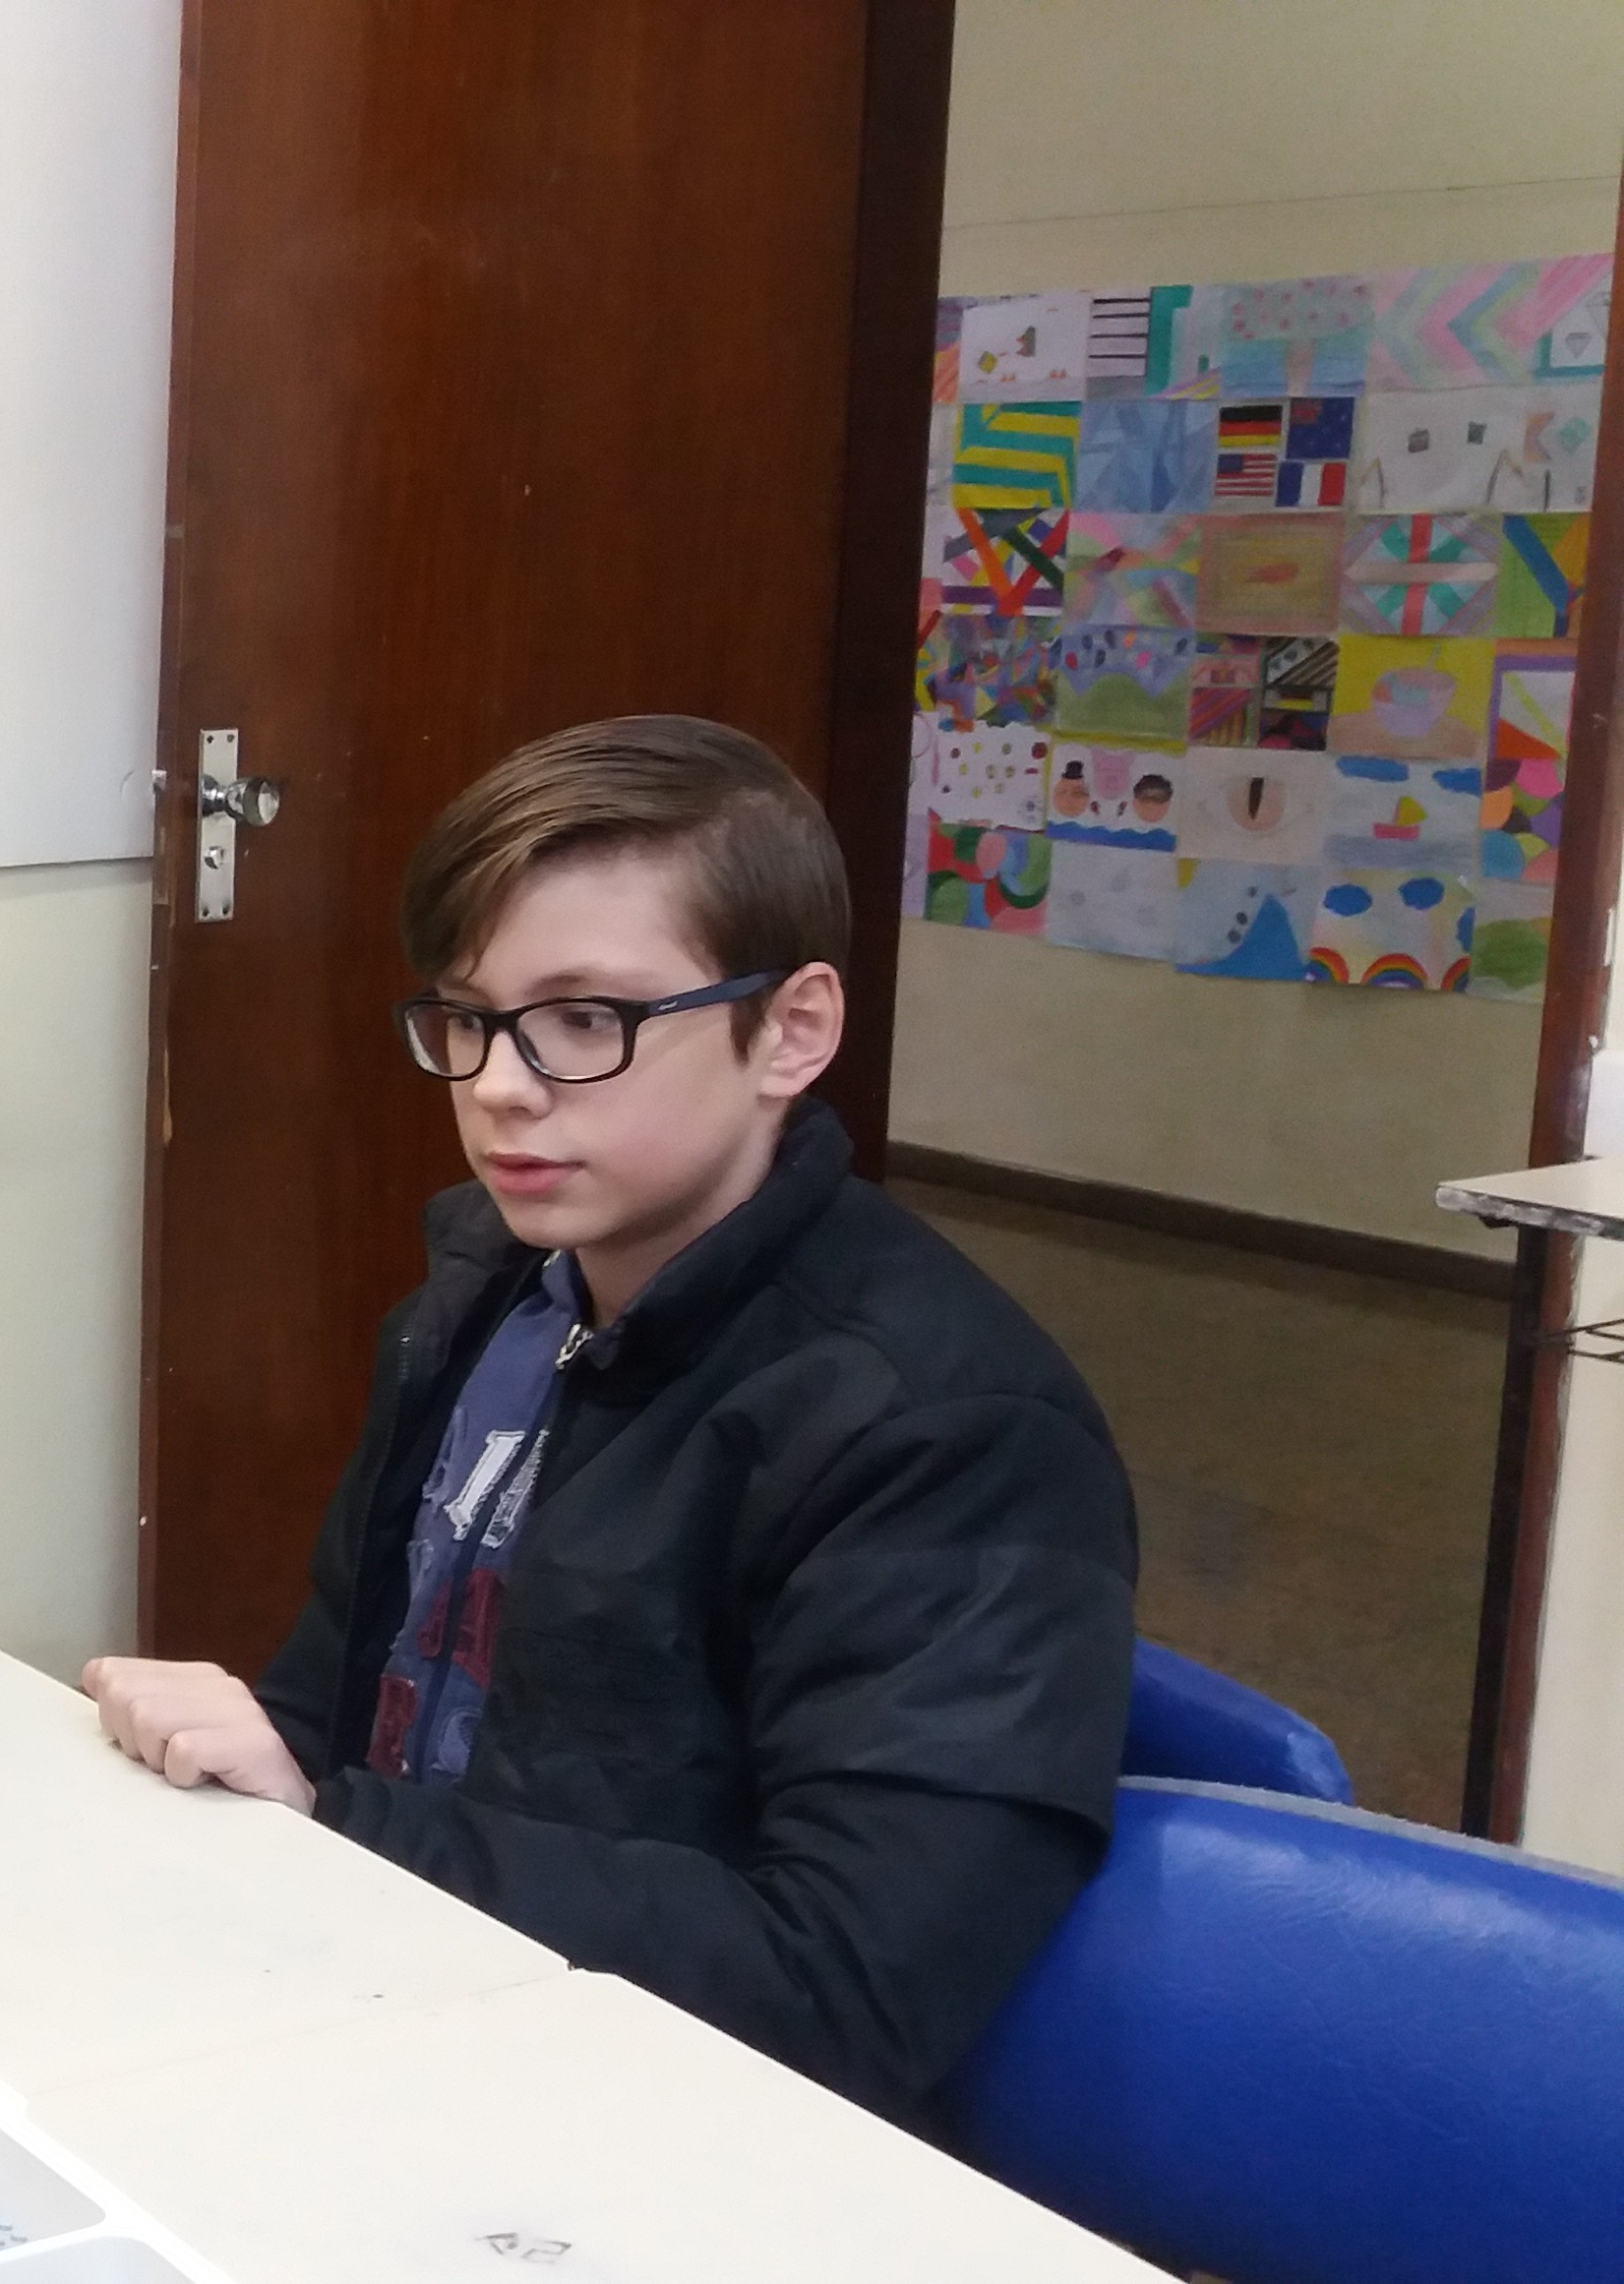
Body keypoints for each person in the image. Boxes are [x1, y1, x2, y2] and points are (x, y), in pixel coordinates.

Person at [81, 715, 1136, 2121]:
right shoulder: (488, 1300)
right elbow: (334, 1703)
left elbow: (850, 1984)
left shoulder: (947, 1431)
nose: (499, 1085)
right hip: (407, 2007)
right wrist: (244, 1793)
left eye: (589, 1020)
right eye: (470, 1017)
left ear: (792, 1031)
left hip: (674, 2122)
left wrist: (339, 1825)